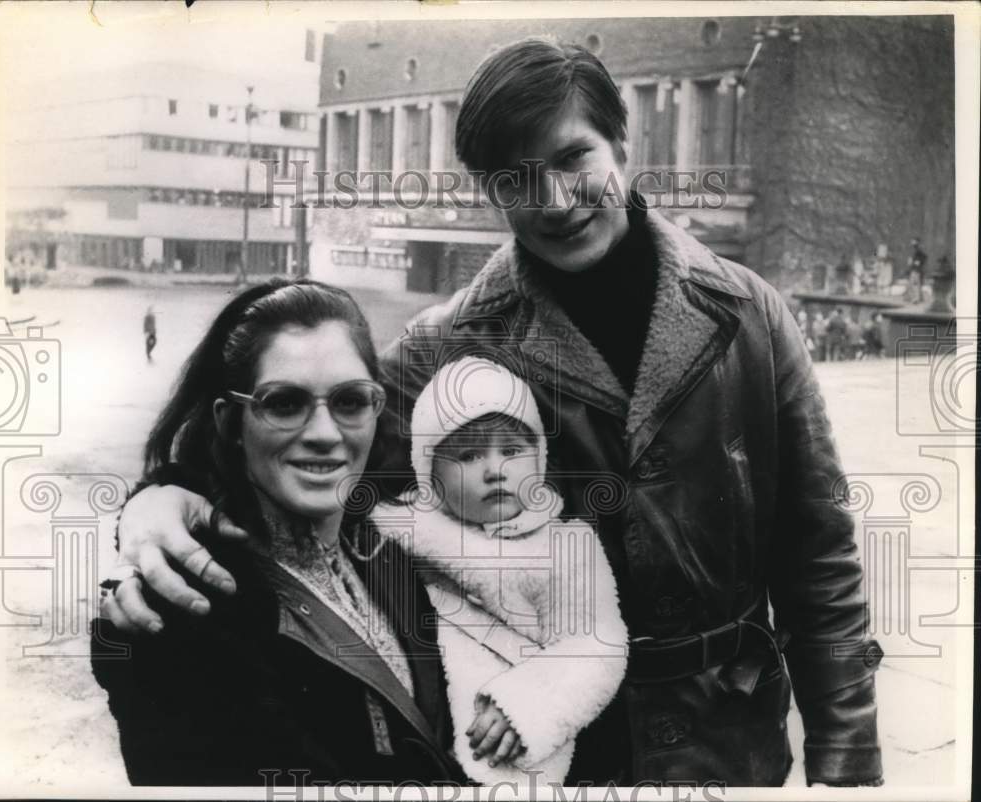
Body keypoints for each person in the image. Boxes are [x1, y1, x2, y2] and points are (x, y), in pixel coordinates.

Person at [107, 37, 883, 787]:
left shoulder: (748, 314)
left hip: (731, 746)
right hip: (549, 752)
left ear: (622, 142)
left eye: (573, 158)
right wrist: (167, 493)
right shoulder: (441, 349)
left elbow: (820, 556)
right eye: (514, 179)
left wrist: (848, 764)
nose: (552, 200)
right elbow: (310, 455)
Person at [92, 279, 460, 785]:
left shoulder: (395, 541)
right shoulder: (175, 607)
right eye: (284, 403)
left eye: (351, 401)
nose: (325, 433)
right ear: (231, 422)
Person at [371, 356, 627, 785]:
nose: (495, 471)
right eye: (469, 455)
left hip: (507, 751)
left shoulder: (566, 548)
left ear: (539, 456)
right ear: (429, 470)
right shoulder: (398, 532)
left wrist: (523, 707)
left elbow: (596, 646)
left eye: (511, 450)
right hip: (419, 738)